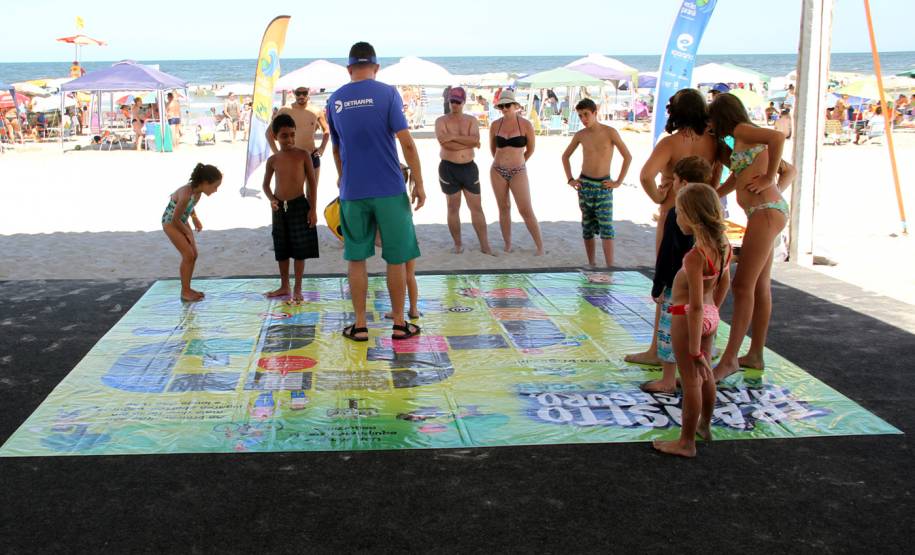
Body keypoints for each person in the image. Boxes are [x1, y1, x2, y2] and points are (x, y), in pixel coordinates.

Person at [327, 41, 426, 342]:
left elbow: (337, 151)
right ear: (376, 67)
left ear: (349, 69)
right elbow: (407, 142)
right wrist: (419, 181)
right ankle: (399, 323)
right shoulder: (387, 93)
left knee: (356, 259)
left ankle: (359, 325)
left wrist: (344, 180)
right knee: (395, 259)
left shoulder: (334, 100)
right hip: (389, 189)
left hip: (353, 191)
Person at [624, 88, 722, 366]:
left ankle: (658, 349)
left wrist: (658, 197)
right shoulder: (712, 142)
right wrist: (713, 191)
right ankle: (705, 345)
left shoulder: (670, 143)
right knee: (705, 282)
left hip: (675, 215)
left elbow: (645, 175)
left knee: (668, 280)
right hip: (704, 215)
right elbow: (727, 171)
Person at [710, 92, 797, 382]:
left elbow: (778, 137)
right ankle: (755, 353)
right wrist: (709, 195)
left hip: (765, 211)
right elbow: (736, 179)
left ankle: (731, 358)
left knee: (742, 285)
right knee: (759, 286)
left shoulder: (740, 130)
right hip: (763, 211)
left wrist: (771, 179)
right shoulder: (741, 142)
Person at [652, 183, 732, 458]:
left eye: (681, 213)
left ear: (693, 216)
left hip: (688, 319)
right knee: (706, 374)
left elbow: (695, 306)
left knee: (690, 380)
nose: (677, 218)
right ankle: (704, 425)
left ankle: (686, 442)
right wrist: (715, 311)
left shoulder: (695, 256)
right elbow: (724, 283)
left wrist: (695, 349)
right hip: (710, 316)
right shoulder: (723, 247)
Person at [641, 156, 711, 394]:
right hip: (703, 290)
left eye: (674, 180)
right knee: (699, 335)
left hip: (678, 288)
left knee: (671, 333)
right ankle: (696, 377)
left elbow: (668, 254)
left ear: (682, 182)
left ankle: (668, 379)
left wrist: (658, 284)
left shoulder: (676, 214)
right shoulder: (709, 214)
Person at [561, 98, 632, 268]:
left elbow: (627, 157)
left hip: (603, 185)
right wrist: (570, 179)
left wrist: (618, 182)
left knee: (606, 226)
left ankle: (610, 265)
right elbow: (565, 156)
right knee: (587, 226)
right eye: (580, 116)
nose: (583, 119)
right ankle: (591, 262)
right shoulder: (580, 135)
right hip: (585, 184)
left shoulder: (610, 132)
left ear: (595, 112)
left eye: (586, 114)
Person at [261, 114, 319, 302]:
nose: (289, 140)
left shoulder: (303, 155)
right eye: (284, 136)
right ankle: (284, 285)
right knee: (282, 248)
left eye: (292, 135)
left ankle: (298, 288)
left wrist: (313, 209)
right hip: (279, 208)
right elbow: (266, 185)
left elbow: (312, 182)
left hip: (299, 205)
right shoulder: (273, 160)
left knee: (300, 250)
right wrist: (271, 199)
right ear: (275, 136)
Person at [435, 86, 492, 255]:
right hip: (448, 167)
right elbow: (445, 143)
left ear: (464, 102)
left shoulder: (471, 120)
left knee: (476, 207)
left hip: (468, 167)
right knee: (453, 207)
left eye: (458, 102)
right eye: (453, 101)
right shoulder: (441, 121)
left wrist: (453, 137)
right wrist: (467, 141)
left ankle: (485, 245)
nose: (455, 105)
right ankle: (458, 244)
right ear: (448, 101)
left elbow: (475, 140)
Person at [489, 89, 544, 255]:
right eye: (501, 106)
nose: (504, 109)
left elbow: (531, 149)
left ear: (515, 106)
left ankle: (540, 246)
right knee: (503, 207)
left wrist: (519, 162)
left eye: (507, 105)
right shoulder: (495, 125)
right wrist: (502, 162)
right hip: (497, 170)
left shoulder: (526, 125)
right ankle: (507, 244)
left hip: (518, 170)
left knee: (525, 209)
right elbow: (493, 149)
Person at [161, 163, 222, 302]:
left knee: (194, 255)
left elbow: (189, 208)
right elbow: (175, 218)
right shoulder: (186, 193)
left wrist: (195, 219)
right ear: (205, 183)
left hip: (181, 220)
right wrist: (187, 233)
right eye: (215, 186)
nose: (216, 190)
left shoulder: (198, 193)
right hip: (170, 222)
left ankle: (187, 288)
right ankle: (185, 291)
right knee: (188, 255)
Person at [267, 86, 330, 186]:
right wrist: (278, 153)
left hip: (311, 156)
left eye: (304, 93)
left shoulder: (316, 110)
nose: (301, 96)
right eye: (298, 93)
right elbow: (269, 133)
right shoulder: (285, 110)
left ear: (308, 93)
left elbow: (326, 130)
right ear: (293, 93)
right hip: (291, 158)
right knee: (293, 193)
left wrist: (322, 147)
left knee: (312, 193)